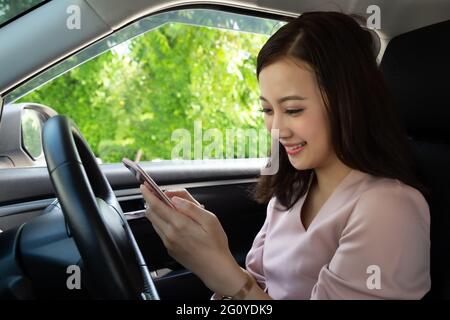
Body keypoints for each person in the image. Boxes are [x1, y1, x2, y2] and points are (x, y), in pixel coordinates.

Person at [140, 11, 430, 300]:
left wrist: (225, 274)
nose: (276, 129)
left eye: (293, 110)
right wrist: (208, 245)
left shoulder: (388, 209)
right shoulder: (292, 190)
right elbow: (258, 286)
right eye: (267, 110)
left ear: (348, 103)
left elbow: (245, 289)